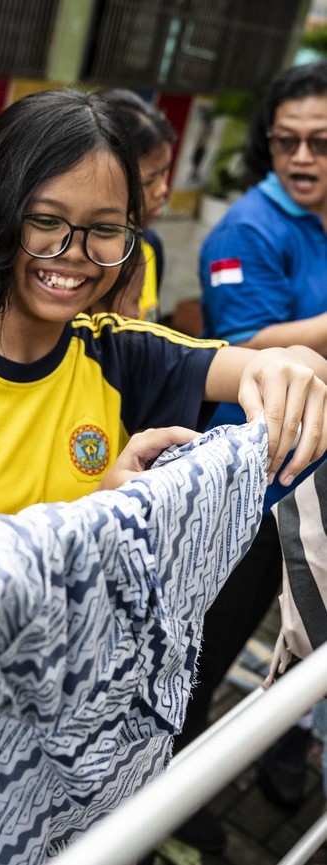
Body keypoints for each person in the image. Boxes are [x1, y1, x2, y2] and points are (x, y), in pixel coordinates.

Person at [0, 87, 327, 523]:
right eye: (47, 220)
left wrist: (296, 364)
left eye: (106, 228)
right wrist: (97, 509)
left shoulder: (126, 354)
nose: (74, 250)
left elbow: (258, 365)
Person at [187, 59, 327, 852]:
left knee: (307, 635)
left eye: (321, 142)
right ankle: (170, 784)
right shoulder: (246, 229)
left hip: (319, 480)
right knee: (209, 647)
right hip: (252, 492)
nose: (303, 158)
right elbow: (244, 348)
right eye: (287, 141)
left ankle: (282, 741)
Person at [91, 88, 175, 320]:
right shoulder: (83, 263)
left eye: (165, 172)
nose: (163, 190)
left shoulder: (149, 245)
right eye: (149, 181)